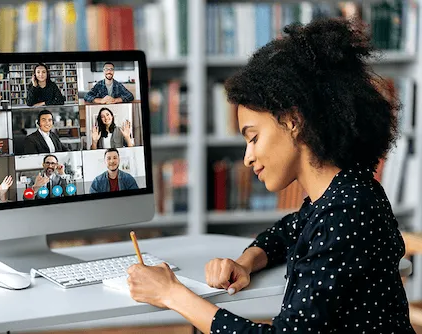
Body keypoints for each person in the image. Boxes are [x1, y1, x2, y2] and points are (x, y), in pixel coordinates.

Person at [124, 18, 416, 333]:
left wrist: (172, 294)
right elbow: (286, 232)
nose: (248, 158)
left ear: (292, 121)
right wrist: (246, 262)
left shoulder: (346, 211)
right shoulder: (345, 193)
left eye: (253, 137)